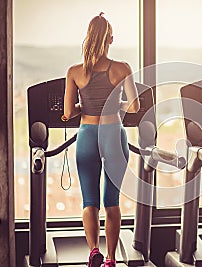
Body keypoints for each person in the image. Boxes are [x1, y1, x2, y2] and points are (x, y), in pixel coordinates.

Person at [63, 13, 140, 267]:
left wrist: (82, 105)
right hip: (112, 134)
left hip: (87, 135)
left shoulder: (75, 72)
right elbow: (134, 106)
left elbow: (68, 112)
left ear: (88, 38)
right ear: (111, 39)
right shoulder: (122, 68)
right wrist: (114, 102)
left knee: (89, 201)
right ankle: (110, 259)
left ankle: (93, 251)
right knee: (112, 201)